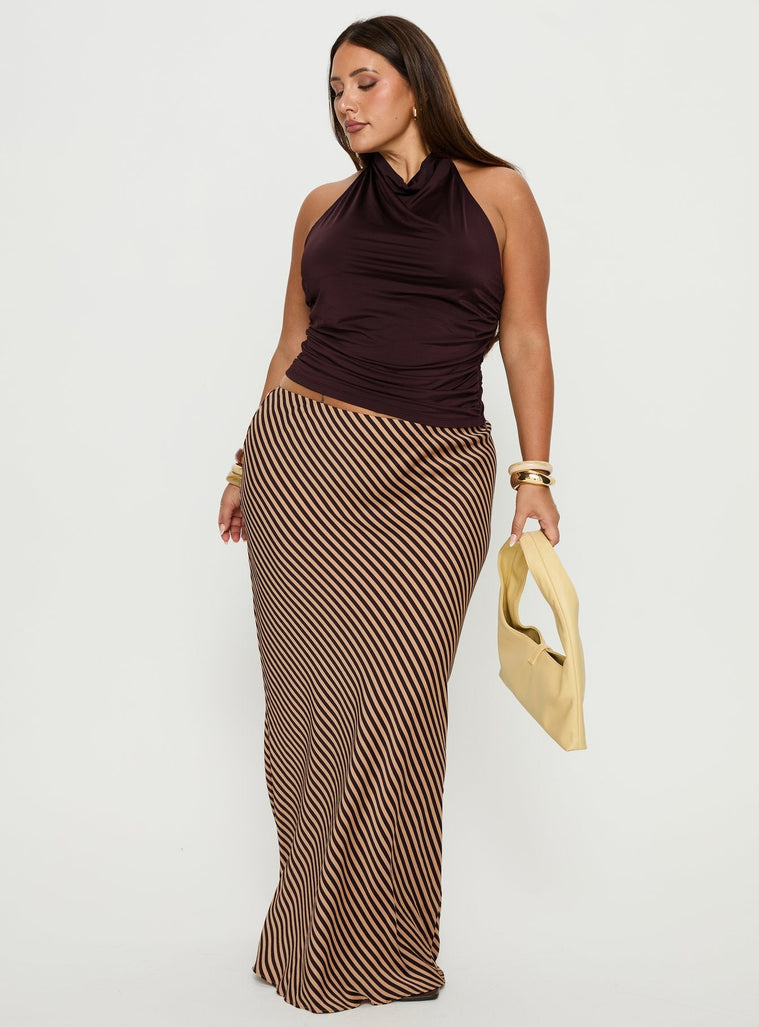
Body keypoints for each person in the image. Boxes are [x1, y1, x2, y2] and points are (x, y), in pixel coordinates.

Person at [217, 14, 560, 1014]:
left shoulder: (498, 193)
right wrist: (244, 462)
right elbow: (292, 341)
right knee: (309, 708)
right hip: (305, 462)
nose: (346, 104)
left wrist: (534, 474)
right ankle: (312, 934)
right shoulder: (321, 208)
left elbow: (526, 337)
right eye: (334, 91)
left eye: (364, 81)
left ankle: (386, 942)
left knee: (402, 700)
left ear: (417, 82)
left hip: (438, 471)